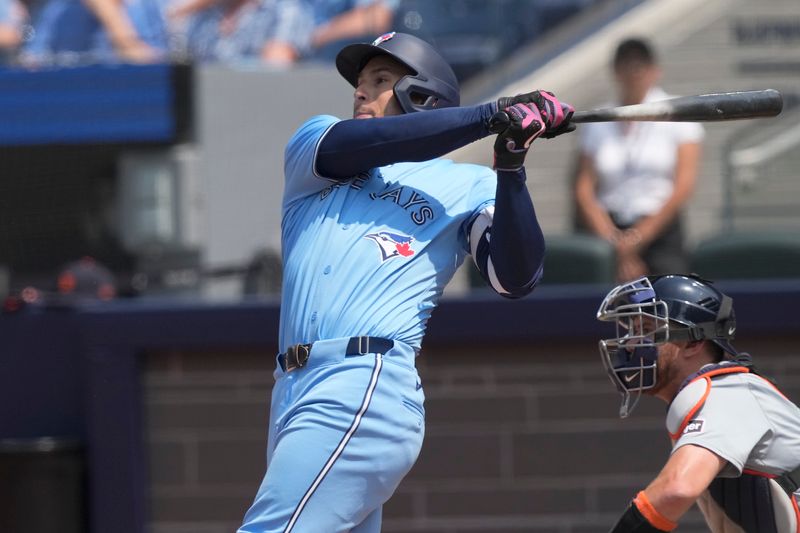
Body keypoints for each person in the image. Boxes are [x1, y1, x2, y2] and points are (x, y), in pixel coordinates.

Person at [237, 31, 574, 532]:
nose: (360, 92)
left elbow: (515, 278)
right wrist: (491, 114)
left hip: (362, 379)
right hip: (291, 388)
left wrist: (510, 168)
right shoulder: (317, 146)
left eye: (380, 81)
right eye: (360, 82)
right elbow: (376, 143)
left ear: (422, 95)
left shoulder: (468, 185)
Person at [596, 273, 800, 532]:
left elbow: (676, 490)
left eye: (647, 330)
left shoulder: (726, 393)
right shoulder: (710, 393)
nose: (631, 344)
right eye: (633, 331)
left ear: (693, 341)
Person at [574, 38, 704, 282]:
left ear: (655, 70)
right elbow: (584, 188)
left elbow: (684, 184)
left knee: (669, 302)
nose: (633, 74)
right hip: (608, 230)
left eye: (639, 66)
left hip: (660, 230)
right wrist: (615, 242)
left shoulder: (679, 114)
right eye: (625, 66)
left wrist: (640, 236)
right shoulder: (599, 119)